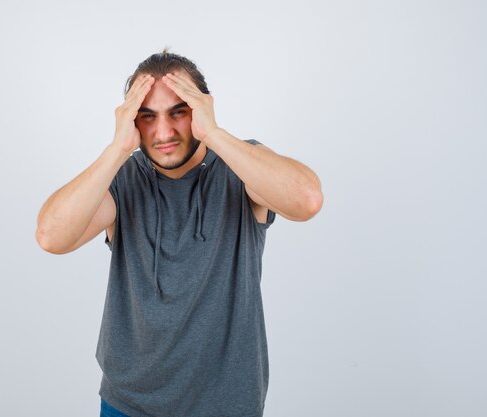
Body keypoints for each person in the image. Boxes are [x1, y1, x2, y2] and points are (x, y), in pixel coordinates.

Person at [35, 50, 323, 417]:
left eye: (178, 112)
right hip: (129, 404)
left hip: (226, 406)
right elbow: (50, 236)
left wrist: (214, 134)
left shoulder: (240, 166)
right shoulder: (122, 178)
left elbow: (307, 200)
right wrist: (117, 149)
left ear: (200, 110)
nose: (164, 132)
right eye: (147, 117)